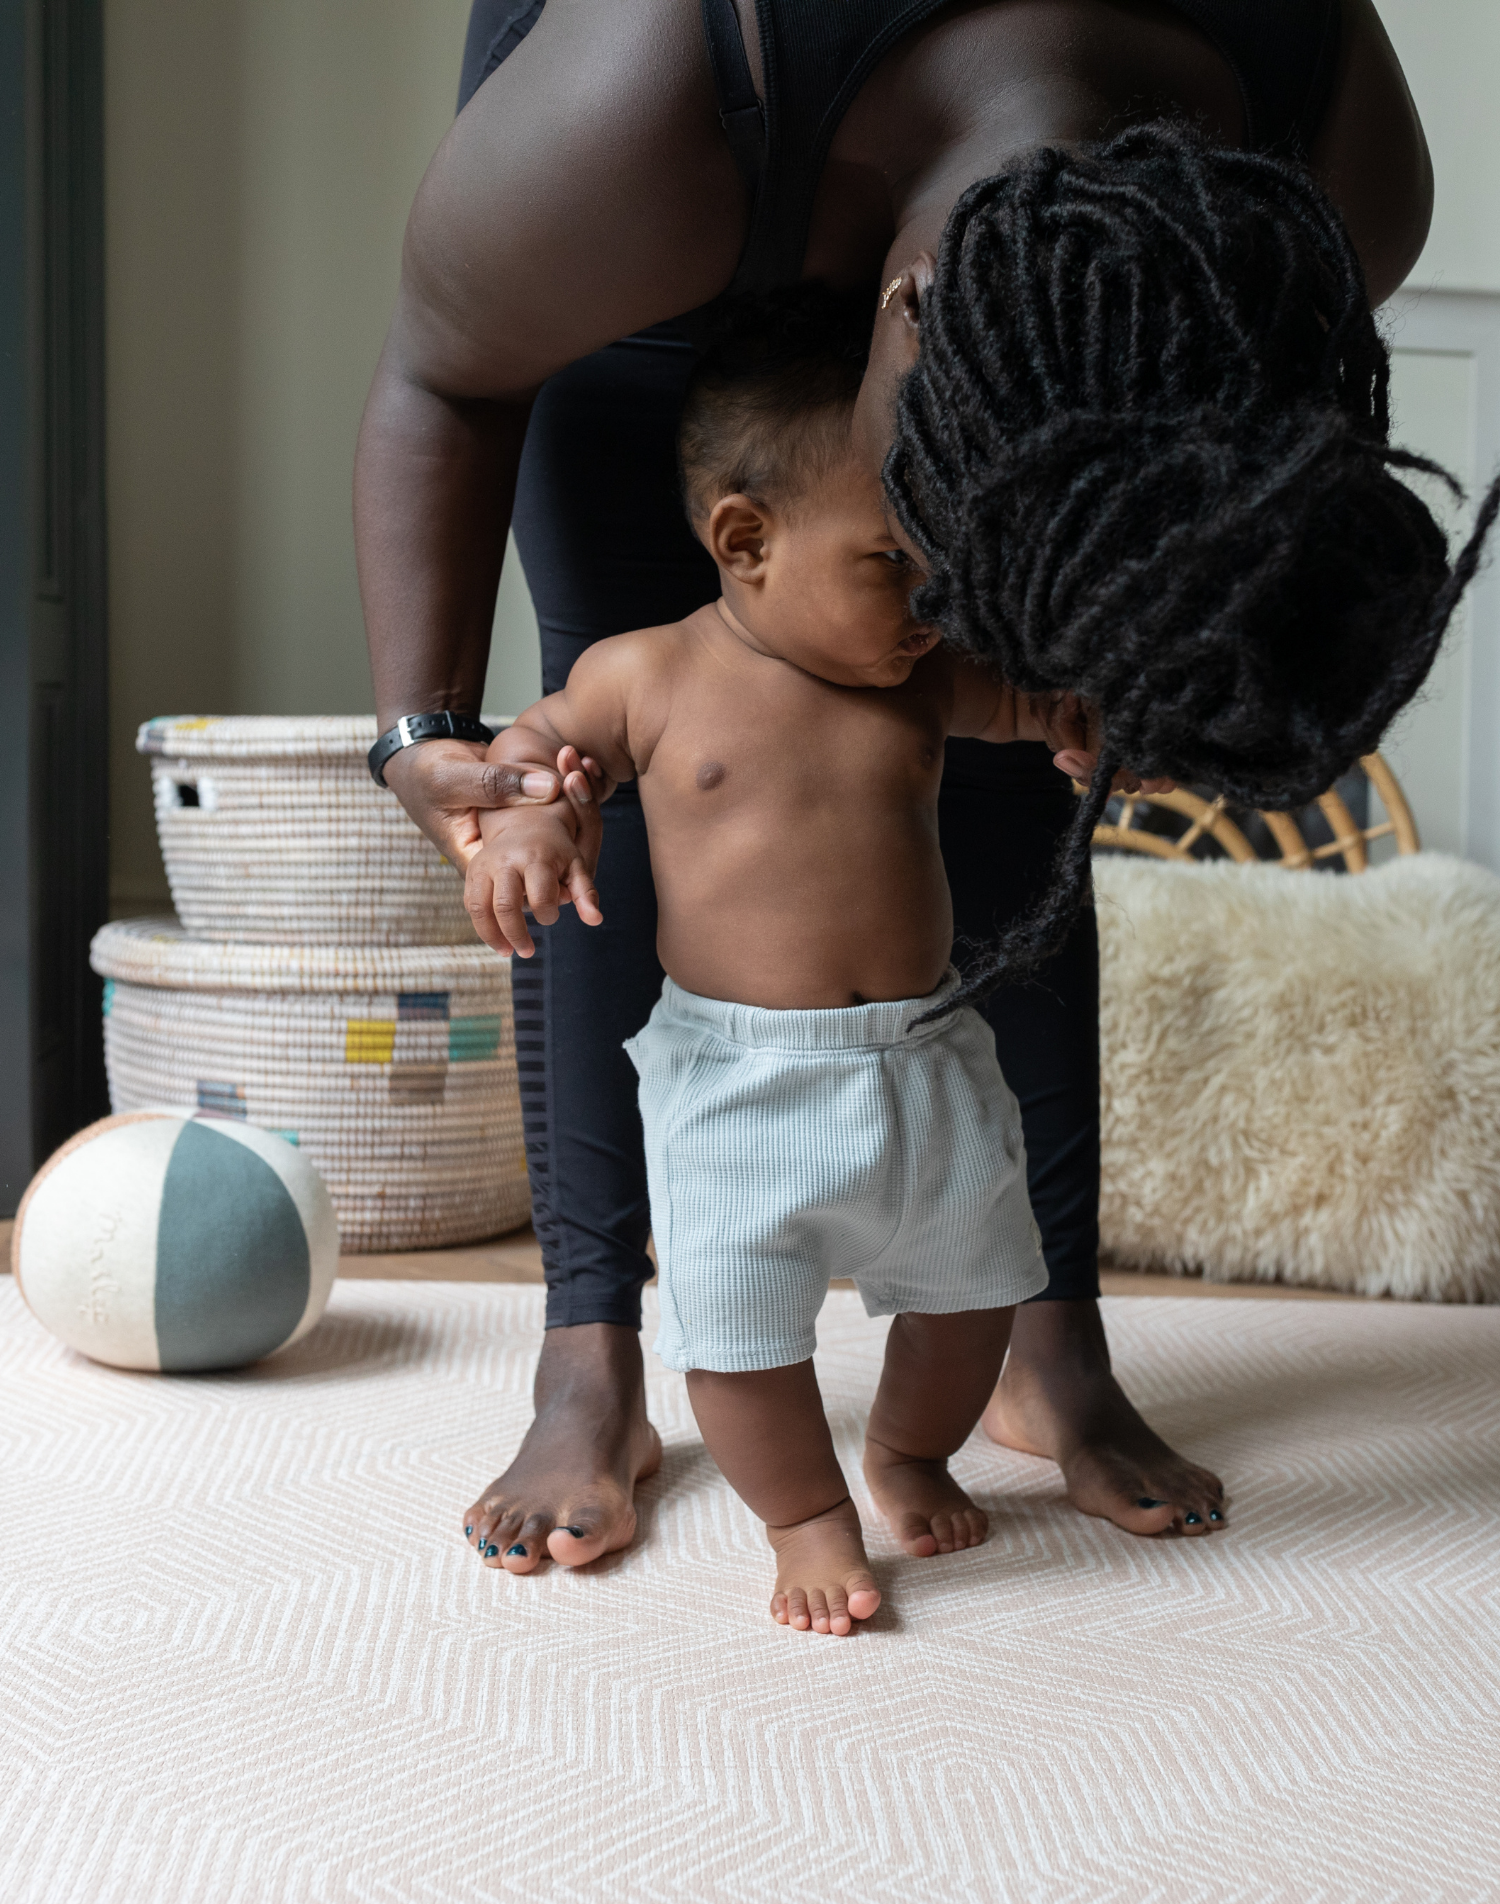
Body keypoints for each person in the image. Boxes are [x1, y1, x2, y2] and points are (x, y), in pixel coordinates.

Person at [355, 0, 1475, 1573]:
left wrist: (1111, 679)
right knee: (642, 768)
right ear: (905, 304)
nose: (935, 610)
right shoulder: (646, 96)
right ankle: (591, 1346)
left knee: (999, 755)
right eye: (927, 547)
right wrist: (425, 738)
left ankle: (1049, 1336)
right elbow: (442, 378)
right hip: (684, 211)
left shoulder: (1329, 157)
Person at [462, 311, 1103, 1630]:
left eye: (943, 574)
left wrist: (1080, 724)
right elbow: (538, 743)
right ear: (744, 541)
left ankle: (911, 1450)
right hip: (742, 1088)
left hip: (928, 1064)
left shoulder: (920, 680)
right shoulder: (649, 672)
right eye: (891, 567)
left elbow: (1034, 703)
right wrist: (526, 817)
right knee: (744, 1346)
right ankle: (805, 1516)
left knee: (977, 1294)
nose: (930, 609)